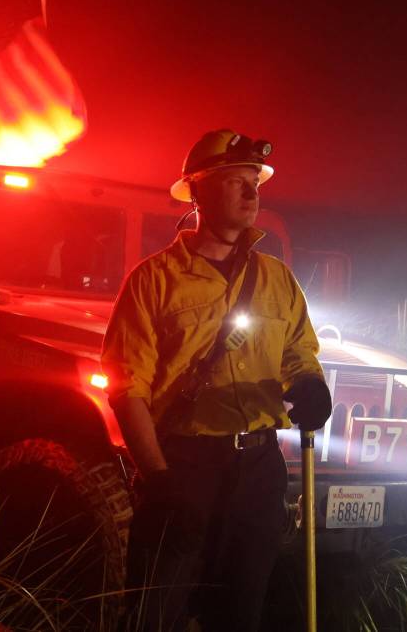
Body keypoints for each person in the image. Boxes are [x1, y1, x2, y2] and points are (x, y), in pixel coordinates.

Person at [101, 129, 333, 631]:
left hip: (258, 470)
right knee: (155, 615)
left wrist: (311, 385)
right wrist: (160, 483)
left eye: (256, 182)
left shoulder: (278, 279)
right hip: (183, 468)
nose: (252, 193)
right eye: (236, 181)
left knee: (241, 614)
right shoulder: (153, 280)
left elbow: (299, 352)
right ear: (198, 191)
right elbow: (127, 388)